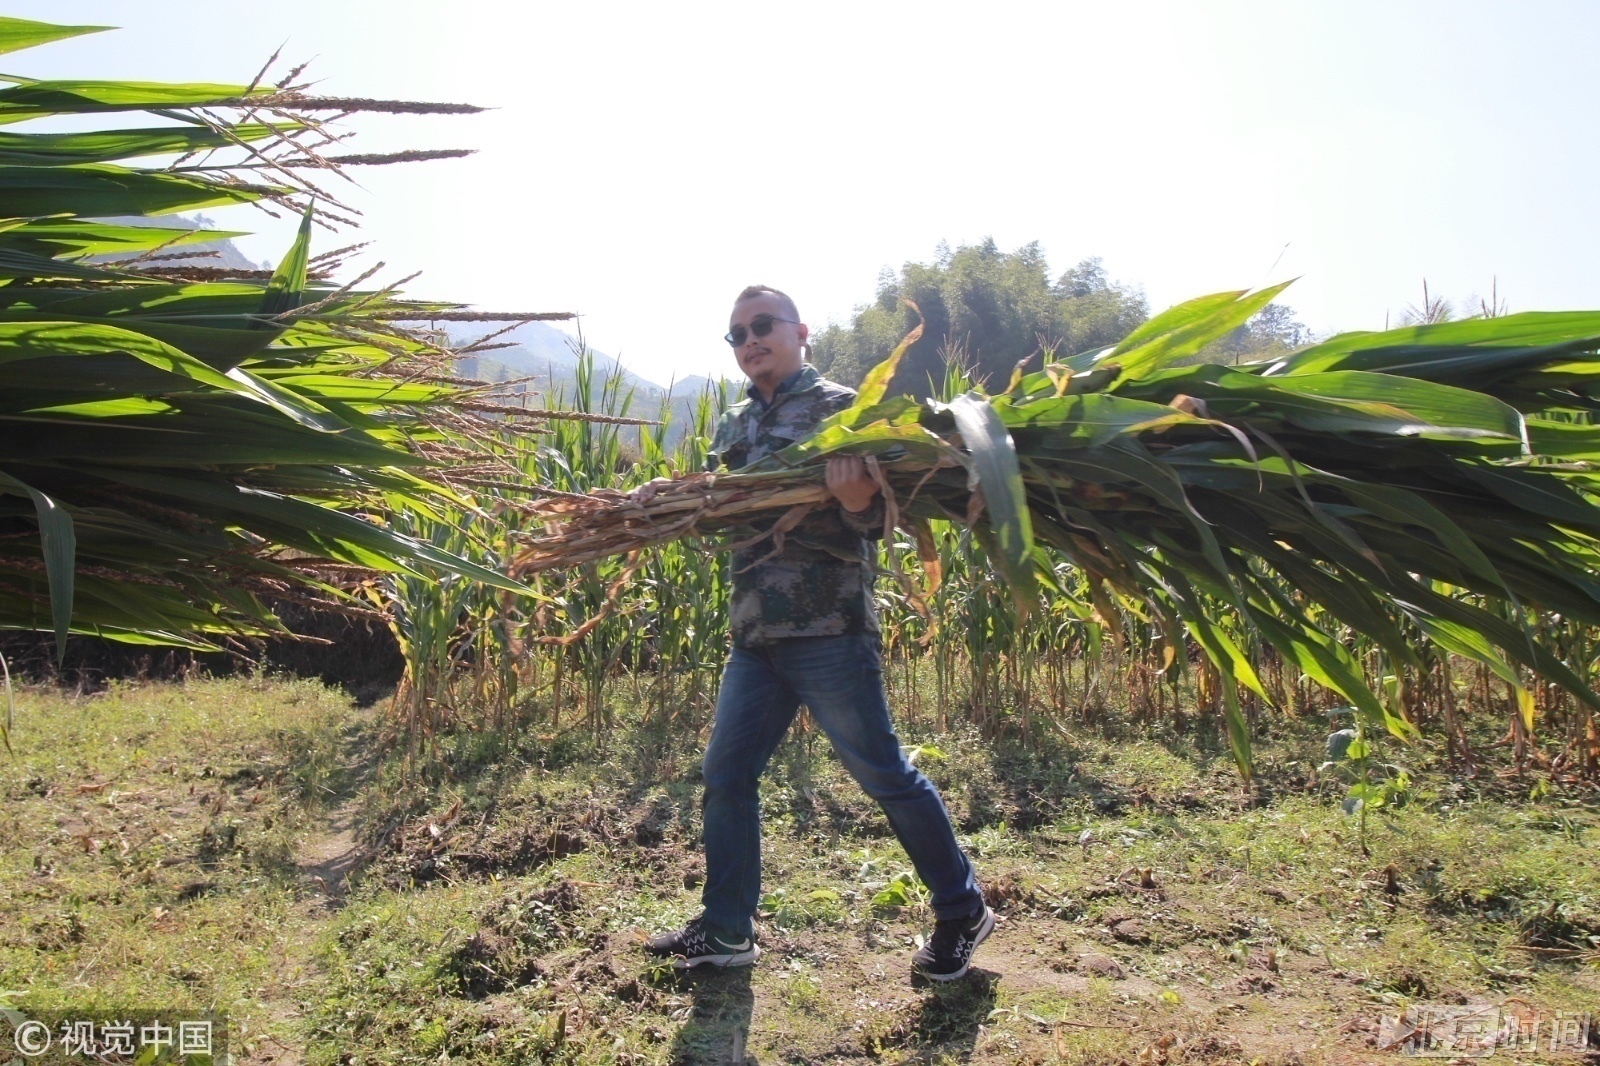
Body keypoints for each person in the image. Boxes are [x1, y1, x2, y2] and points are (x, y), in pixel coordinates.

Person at [646, 285, 993, 981]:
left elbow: (881, 521)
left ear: (801, 331)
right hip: (754, 636)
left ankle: (962, 909)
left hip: (828, 627)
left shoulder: (843, 406)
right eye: (736, 333)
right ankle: (726, 931)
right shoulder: (734, 424)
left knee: (883, 775)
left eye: (762, 325)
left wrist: (860, 504)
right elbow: (730, 518)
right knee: (726, 776)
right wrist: (675, 506)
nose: (749, 340)